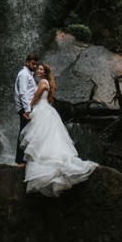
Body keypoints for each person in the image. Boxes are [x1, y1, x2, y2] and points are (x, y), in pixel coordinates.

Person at [19, 63, 98, 197]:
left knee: (41, 138)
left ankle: (44, 164)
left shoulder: (43, 82)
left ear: (45, 72)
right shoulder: (48, 83)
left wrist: (28, 109)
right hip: (47, 110)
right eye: (37, 69)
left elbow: (35, 98)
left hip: (42, 110)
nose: (38, 71)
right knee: (48, 137)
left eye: (40, 69)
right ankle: (49, 162)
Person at [13, 53, 39, 166]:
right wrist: (27, 110)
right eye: (33, 64)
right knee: (24, 134)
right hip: (25, 108)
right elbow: (23, 93)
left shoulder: (29, 75)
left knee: (26, 134)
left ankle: (24, 160)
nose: (35, 66)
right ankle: (20, 161)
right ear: (27, 62)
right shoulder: (24, 74)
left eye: (36, 64)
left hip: (27, 107)